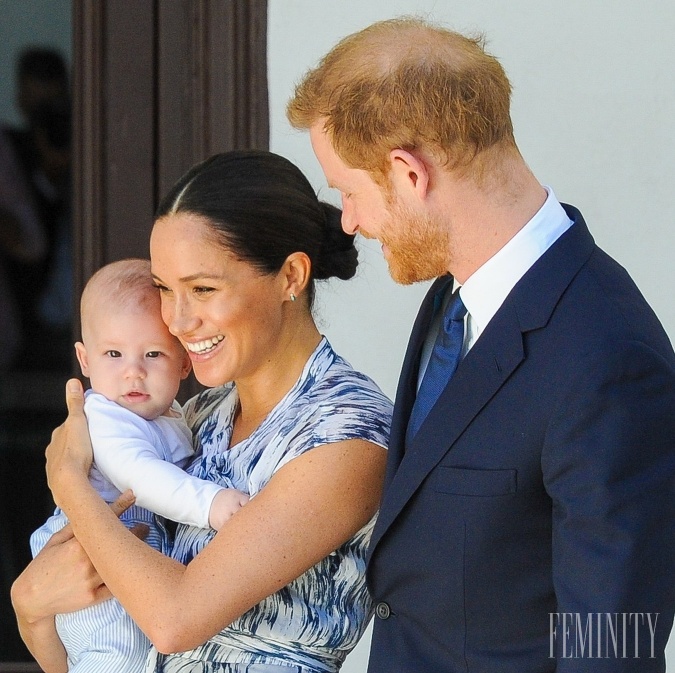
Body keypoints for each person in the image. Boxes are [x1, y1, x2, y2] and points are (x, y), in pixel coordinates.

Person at [286, 16, 675, 673]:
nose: (348, 220)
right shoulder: (451, 297)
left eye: (347, 191)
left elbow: (612, 650)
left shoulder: (608, 357)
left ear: (409, 174)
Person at [11, 150, 393, 673]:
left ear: (291, 276)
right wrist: (30, 609)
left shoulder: (348, 432)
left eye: (203, 289)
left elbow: (173, 620)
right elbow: (107, 638)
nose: (178, 320)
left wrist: (69, 481)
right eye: (166, 290)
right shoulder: (201, 415)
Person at [29, 257, 250, 671]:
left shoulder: (176, 418)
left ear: (184, 362)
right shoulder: (105, 419)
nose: (133, 372)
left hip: (123, 552)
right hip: (84, 558)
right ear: (85, 360)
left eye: (152, 354)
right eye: (113, 353)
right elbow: (142, 478)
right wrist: (212, 504)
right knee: (118, 654)